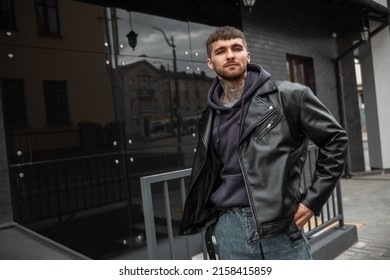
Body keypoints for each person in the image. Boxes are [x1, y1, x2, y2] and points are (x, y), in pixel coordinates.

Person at [179, 26, 348, 260]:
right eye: (221, 51)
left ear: (247, 57)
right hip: (230, 230)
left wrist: (312, 201)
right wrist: (216, 222)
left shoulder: (290, 96)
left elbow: (335, 139)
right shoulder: (209, 116)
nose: (230, 55)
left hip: (280, 229)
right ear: (210, 62)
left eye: (236, 48)